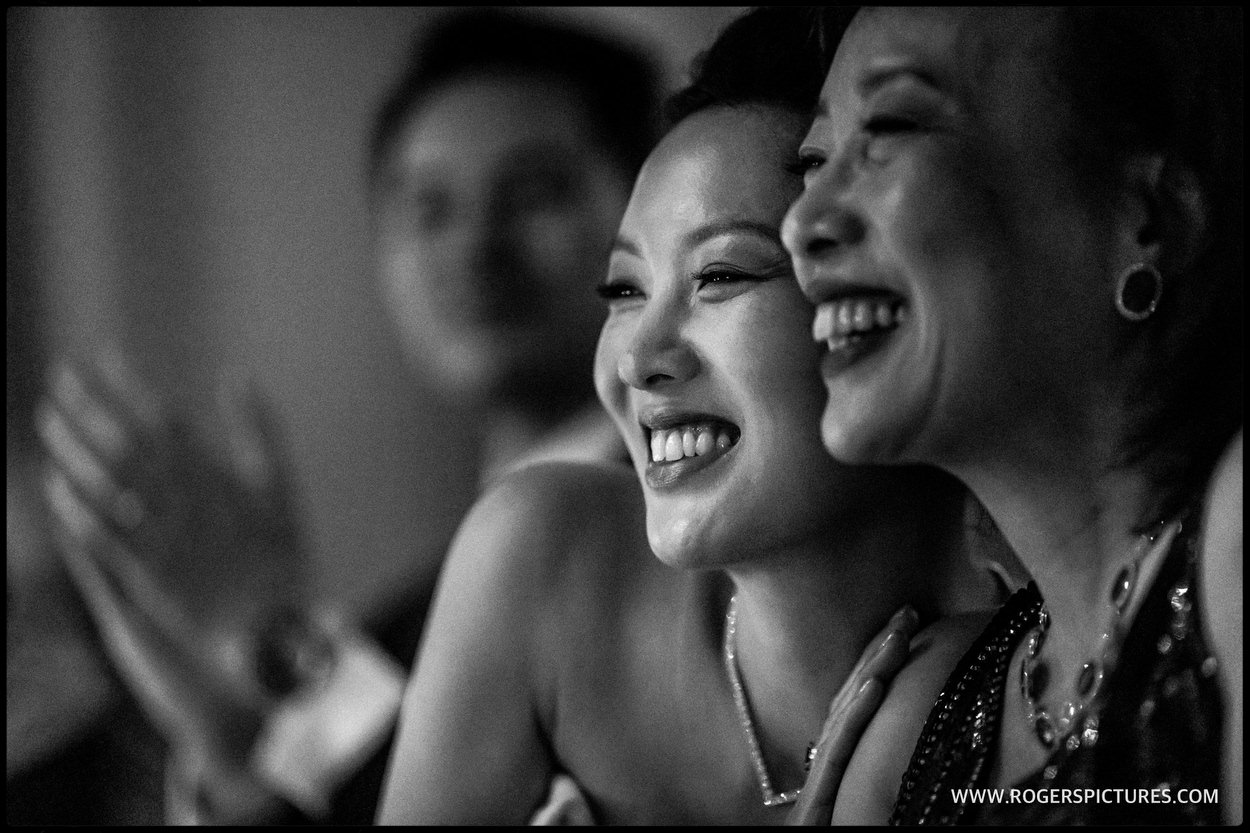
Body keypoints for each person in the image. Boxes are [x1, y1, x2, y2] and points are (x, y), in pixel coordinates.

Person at [377, 7, 1004, 825]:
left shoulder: (1029, 670)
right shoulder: (541, 565)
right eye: (626, 291)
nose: (640, 358)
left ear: (871, 304)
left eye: (722, 276)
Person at [35, 8, 662, 825]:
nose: (474, 249)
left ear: (651, 206)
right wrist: (235, 753)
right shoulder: (405, 620)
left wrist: (284, 642)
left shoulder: (682, 536)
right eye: (430, 208)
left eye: (533, 193)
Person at [783, 6, 1241, 825]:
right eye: (812, 163)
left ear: (1149, 217)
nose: (802, 224)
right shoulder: (917, 718)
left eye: (890, 125)